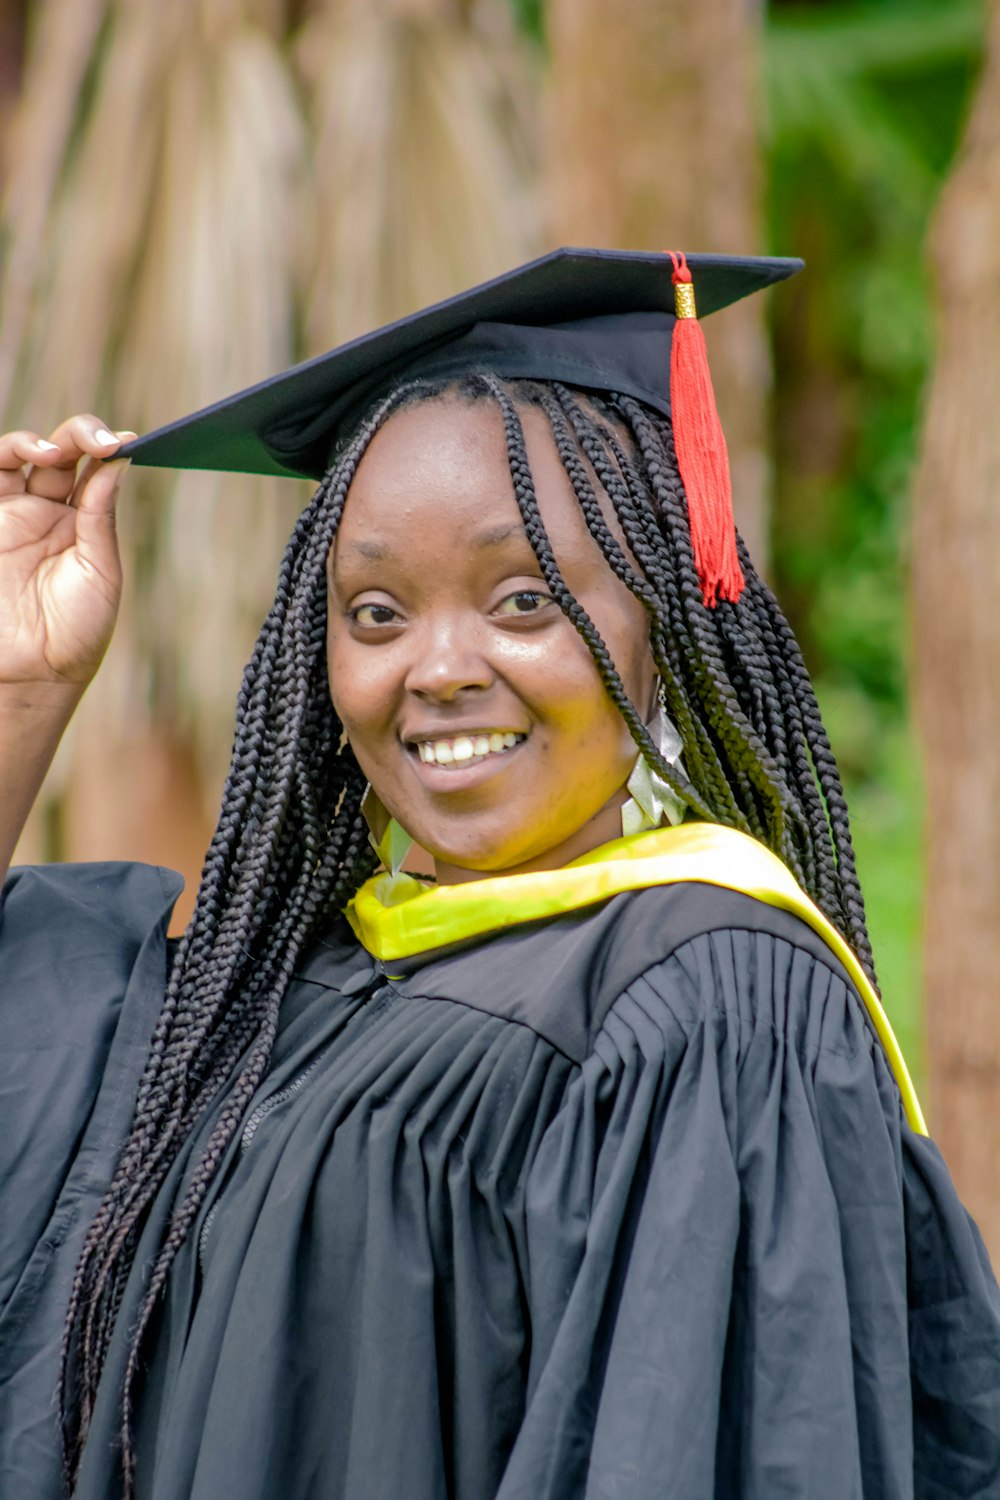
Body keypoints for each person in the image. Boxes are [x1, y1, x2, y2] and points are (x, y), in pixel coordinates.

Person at [1, 248, 997, 1500]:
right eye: (374, 613)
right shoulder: (260, 1006)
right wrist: (22, 690)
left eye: (523, 600)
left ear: (659, 624)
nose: (440, 667)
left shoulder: (710, 1002)